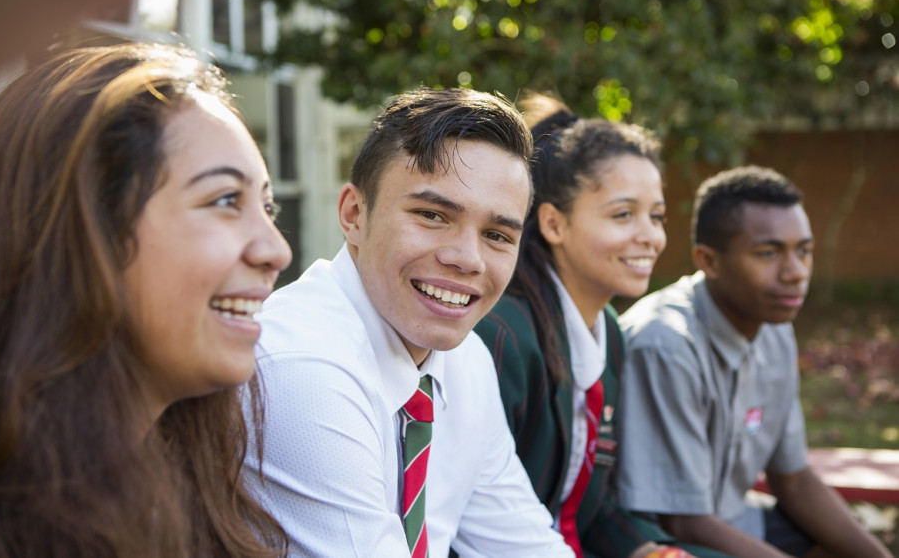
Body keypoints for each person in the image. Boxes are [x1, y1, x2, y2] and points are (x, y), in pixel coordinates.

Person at [0, 42, 293, 557]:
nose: (277, 250)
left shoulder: (190, 495)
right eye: (225, 200)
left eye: (267, 205)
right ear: (78, 231)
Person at [246, 86, 574, 557]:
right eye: (432, 215)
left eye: (497, 235)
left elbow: (523, 543)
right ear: (355, 214)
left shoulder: (465, 362)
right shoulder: (301, 367)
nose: (467, 259)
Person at [473, 94, 727, 558]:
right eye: (623, 214)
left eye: (656, 216)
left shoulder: (607, 330)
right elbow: (471, 513)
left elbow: (594, 504)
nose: (650, 236)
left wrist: (649, 551)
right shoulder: (501, 333)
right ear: (553, 223)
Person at [616, 167, 891, 558]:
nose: (796, 272)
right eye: (769, 252)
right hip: (660, 542)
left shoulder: (774, 328)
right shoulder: (667, 346)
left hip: (733, 520)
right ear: (708, 261)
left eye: (804, 251)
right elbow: (681, 520)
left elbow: (793, 478)